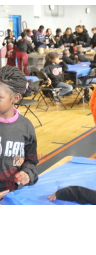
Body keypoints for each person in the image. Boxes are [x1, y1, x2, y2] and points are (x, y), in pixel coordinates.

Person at [0, 66, 39, 201]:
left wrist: (27, 174)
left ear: (15, 98)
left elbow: (31, 161)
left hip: (14, 197)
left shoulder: (26, 126)